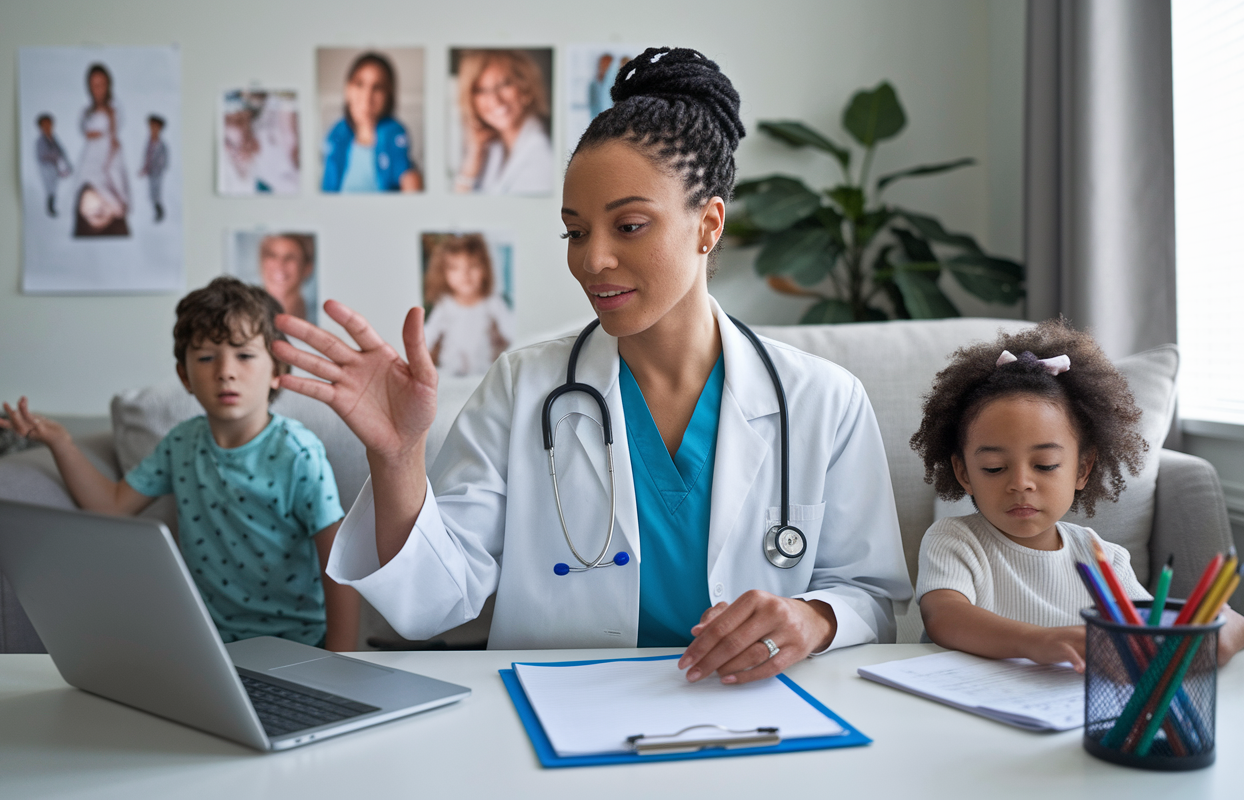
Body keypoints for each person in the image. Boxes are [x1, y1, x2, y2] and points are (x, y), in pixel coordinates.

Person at [274, 47, 911, 684]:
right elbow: (432, 605)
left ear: (708, 225)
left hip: (753, 714)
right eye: (575, 232)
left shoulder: (825, 400)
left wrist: (815, 618)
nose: (592, 260)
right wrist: (398, 456)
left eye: (629, 225)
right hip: (562, 712)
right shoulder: (523, 386)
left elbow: (872, 595)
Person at [0, 277, 360, 651]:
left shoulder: (299, 452)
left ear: (277, 371)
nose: (225, 371)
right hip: (209, 646)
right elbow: (112, 505)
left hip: (297, 644)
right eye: (206, 357)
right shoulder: (182, 444)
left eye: (245, 355)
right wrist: (60, 442)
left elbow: (338, 560)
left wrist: (341, 658)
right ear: (185, 376)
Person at [910, 320, 1244, 670]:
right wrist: (1036, 641)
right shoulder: (954, 540)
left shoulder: (1103, 559)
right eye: (995, 468)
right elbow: (945, 617)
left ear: (1082, 469)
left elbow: (1153, 634)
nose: (1021, 483)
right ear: (964, 473)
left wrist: (1231, 628)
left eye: (1045, 465)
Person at [453, 49, 553, 195]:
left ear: (525, 87)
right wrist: (472, 161)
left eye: (504, 84)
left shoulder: (544, 152)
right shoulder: (491, 147)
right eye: (481, 90)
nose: (495, 100)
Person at [321, 52, 422, 193]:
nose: (367, 96)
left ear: (388, 95)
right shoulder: (336, 134)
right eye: (359, 84)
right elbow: (327, 187)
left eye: (377, 87)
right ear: (347, 89)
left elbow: (405, 173)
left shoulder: (394, 133)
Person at [422, 233, 513, 376]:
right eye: (455, 268)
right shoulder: (445, 305)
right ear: (444, 273)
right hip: (450, 372)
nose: (465, 274)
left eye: (473, 266)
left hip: (484, 372)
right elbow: (428, 335)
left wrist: (500, 339)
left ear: (484, 269)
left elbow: (511, 334)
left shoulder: (492, 302)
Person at [73, 63, 131, 237]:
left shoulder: (113, 110)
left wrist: (111, 139)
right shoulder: (87, 112)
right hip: (90, 161)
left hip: (107, 159)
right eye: (94, 85)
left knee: (116, 198)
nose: (98, 89)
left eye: (101, 84)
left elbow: (111, 133)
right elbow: (86, 131)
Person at [258, 233, 315, 322]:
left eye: (290, 257)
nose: (279, 264)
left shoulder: (318, 316)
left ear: (307, 268)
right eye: (272, 255)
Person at [34, 113, 71, 217]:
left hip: (55, 168)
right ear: (40, 127)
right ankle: (50, 208)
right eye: (44, 125)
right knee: (50, 189)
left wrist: (66, 164)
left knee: (55, 188)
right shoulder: (40, 141)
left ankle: (55, 207)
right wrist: (54, 156)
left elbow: (61, 152)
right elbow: (43, 155)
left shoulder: (54, 139)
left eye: (49, 124)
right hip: (46, 168)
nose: (47, 127)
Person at [140, 115, 169, 222]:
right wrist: (145, 168)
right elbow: (147, 157)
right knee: (151, 194)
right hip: (150, 173)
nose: (153, 129)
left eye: (155, 127)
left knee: (156, 194)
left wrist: (157, 169)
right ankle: (156, 211)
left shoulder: (162, 145)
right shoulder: (149, 143)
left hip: (157, 173)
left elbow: (163, 161)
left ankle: (159, 212)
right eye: (151, 127)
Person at [588, 53, 616, 119]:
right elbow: (592, 106)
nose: (605, 67)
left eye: (608, 65)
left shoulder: (614, 82)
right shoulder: (593, 84)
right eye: (603, 64)